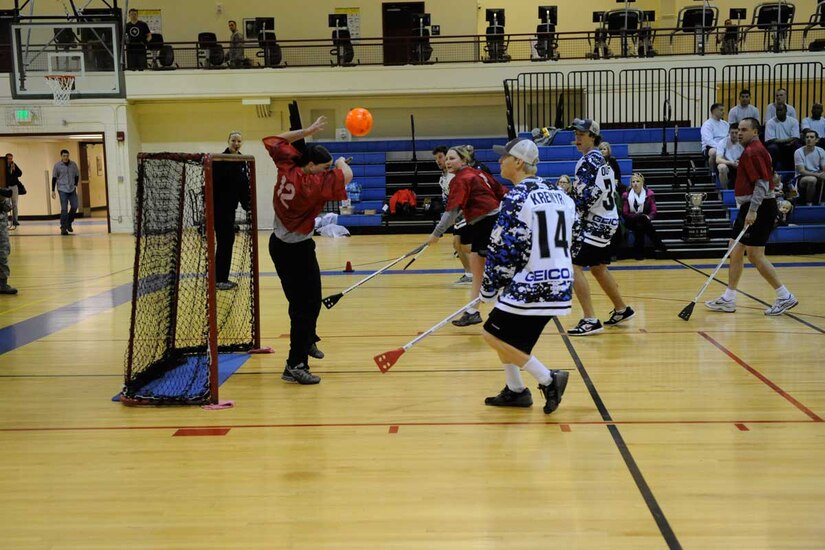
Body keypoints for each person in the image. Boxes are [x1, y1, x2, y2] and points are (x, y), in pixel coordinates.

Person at [479, 137, 572, 414]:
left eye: (504, 157)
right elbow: (574, 239)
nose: (499, 161)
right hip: (560, 280)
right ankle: (516, 390)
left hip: (533, 282)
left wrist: (489, 287)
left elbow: (502, 247)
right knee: (507, 337)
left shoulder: (517, 196)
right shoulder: (560, 194)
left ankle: (547, 378)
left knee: (490, 334)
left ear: (518, 162)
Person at [262, 116, 353, 385]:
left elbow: (276, 140)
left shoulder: (288, 165)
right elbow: (346, 175)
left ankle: (307, 340)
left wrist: (308, 131)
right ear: (311, 165)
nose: (326, 171)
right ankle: (295, 364)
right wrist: (339, 163)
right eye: (323, 167)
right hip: (293, 250)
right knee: (304, 306)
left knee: (310, 301)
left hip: (286, 245)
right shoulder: (311, 185)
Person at [705, 118, 798, 316]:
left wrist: (753, 210)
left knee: (755, 255)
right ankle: (729, 298)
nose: (739, 133)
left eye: (744, 130)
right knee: (735, 249)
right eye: (738, 129)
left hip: (760, 207)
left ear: (755, 132)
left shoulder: (753, 151)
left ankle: (784, 296)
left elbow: (763, 184)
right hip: (751, 206)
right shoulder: (752, 150)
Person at [426, 145, 507, 327]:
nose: (448, 162)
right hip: (485, 223)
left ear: (464, 160)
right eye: (446, 159)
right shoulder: (478, 174)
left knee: (492, 271)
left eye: (452, 158)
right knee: (477, 267)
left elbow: (452, 211)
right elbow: (501, 191)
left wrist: (436, 234)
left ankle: (501, 310)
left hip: (488, 223)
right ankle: (473, 311)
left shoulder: (461, 179)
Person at [567, 118, 634, 336]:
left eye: (582, 134)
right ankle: (622, 309)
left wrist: (571, 211)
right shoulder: (601, 160)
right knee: (597, 267)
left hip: (597, 222)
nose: (577, 138)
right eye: (576, 134)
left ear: (593, 137)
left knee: (573, 265)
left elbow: (588, 196)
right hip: (608, 220)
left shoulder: (588, 161)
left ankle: (589, 320)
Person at [213, 131, 251, 290]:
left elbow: (243, 186)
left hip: (231, 209)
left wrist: (247, 206)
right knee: (225, 242)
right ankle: (219, 279)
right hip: (220, 208)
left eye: (239, 141)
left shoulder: (241, 160)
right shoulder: (219, 160)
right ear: (228, 141)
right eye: (234, 140)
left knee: (227, 241)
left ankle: (221, 278)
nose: (236, 143)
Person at [433, 145, 472, 285]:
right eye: (436, 159)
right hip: (456, 215)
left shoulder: (456, 177)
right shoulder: (443, 178)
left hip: (465, 214)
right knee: (458, 245)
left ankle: (474, 272)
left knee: (461, 244)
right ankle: (470, 273)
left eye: (441, 157)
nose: (439, 161)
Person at [621, 172, 666, 260]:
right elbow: (625, 213)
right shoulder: (626, 195)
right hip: (630, 220)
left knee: (640, 226)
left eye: (637, 181)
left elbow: (654, 211)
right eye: (633, 182)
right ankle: (658, 244)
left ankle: (638, 252)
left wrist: (648, 217)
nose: (635, 184)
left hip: (644, 220)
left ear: (642, 183)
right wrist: (639, 216)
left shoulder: (649, 194)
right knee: (641, 219)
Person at [51, 149, 79, 235]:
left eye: (67, 156)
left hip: (71, 189)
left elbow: (77, 175)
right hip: (62, 189)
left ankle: (69, 223)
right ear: (61, 156)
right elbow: (54, 178)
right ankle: (63, 227)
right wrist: (53, 190)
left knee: (75, 206)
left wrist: (75, 185)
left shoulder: (73, 165)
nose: (66, 157)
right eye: (64, 156)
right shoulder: (57, 166)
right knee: (64, 209)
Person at [765, 103, 801, 172]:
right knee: (772, 147)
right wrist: (787, 140)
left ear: (786, 111)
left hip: (790, 145)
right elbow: (771, 140)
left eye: (781, 110)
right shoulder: (770, 122)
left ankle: (797, 171)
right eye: (777, 110)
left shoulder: (793, 121)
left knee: (797, 146)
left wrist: (791, 142)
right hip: (777, 146)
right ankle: (771, 171)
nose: (778, 112)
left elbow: (796, 137)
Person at [794, 129, 825, 206]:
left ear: (817, 140)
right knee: (812, 180)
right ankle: (809, 203)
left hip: (817, 174)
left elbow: (824, 167)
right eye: (807, 137)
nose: (809, 139)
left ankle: (822, 201)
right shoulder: (798, 152)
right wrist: (818, 175)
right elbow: (801, 171)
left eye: (811, 137)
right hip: (802, 178)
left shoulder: (821, 151)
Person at [701, 103, 730, 173]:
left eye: (723, 110)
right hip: (710, 147)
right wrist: (720, 147)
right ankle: (712, 172)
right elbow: (708, 140)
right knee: (714, 152)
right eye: (721, 110)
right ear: (714, 111)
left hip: (725, 146)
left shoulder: (726, 124)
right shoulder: (707, 124)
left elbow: (729, 137)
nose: (723, 112)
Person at [716, 124, 744, 189]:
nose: (734, 135)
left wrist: (740, 162)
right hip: (728, 164)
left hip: (740, 163)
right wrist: (731, 162)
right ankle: (725, 191)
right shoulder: (722, 142)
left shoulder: (743, 142)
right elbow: (718, 159)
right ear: (729, 132)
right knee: (722, 167)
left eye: (736, 133)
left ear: (739, 132)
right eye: (732, 133)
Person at [0, 186, 16, 294]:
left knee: (3, 255)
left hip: (2, 231)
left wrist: (1, 200)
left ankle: (3, 284)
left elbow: (8, 207)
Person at [5, 153, 22, 228]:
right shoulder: (3, 166)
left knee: (15, 204)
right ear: (6, 159)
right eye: (9, 158)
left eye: (11, 158)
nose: (10, 160)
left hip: (14, 186)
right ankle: (5, 221)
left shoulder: (14, 165)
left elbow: (20, 173)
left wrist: (14, 169)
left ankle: (15, 220)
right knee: (6, 204)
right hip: (6, 186)